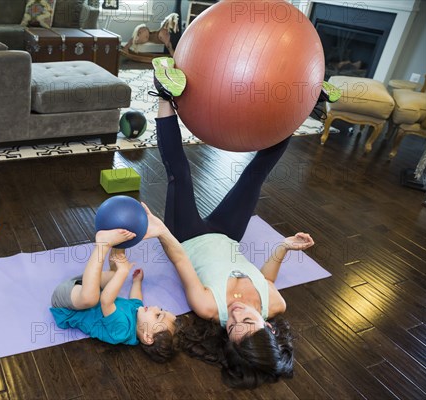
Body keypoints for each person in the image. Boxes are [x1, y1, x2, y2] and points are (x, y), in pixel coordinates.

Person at [143, 57, 315, 388]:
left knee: (180, 173)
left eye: (232, 329)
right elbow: (266, 280)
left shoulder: (209, 308)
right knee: (255, 176)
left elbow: (180, 259)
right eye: (246, 321)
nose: (235, 317)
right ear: (268, 326)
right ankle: (301, 108)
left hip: (187, 238)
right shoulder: (275, 304)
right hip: (228, 236)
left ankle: (164, 92)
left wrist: (161, 231)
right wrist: (283, 247)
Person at [50, 228, 178, 362]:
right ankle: (119, 235)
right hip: (82, 286)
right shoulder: (138, 313)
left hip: (67, 305)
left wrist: (123, 272)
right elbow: (136, 299)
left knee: (92, 297)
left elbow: (106, 301)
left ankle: (103, 245)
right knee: (112, 276)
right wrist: (136, 282)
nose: (156, 307)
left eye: (158, 315)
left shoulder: (122, 331)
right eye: (161, 310)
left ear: (148, 337)